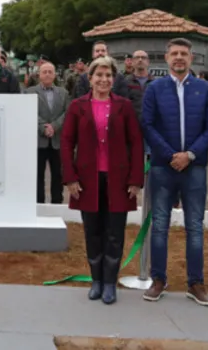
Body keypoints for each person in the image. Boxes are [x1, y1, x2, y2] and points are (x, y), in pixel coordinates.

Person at [140, 38, 208, 307]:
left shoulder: (205, 89)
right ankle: (158, 280)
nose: (179, 58)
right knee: (160, 226)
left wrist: (191, 155)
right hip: (164, 167)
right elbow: (148, 125)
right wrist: (170, 155)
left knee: (195, 227)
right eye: (174, 53)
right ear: (166, 58)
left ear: (191, 57)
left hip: (194, 167)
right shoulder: (154, 89)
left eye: (183, 54)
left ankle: (195, 283)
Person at [60, 56, 145, 305]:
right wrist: (70, 178)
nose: (104, 80)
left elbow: (136, 143)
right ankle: (96, 280)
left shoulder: (124, 106)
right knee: (92, 232)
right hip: (87, 180)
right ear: (90, 78)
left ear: (114, 78)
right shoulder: (77, 106)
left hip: (118, 180)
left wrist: (136, 179)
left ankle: (110, 283)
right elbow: (66, 143)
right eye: (99, 75)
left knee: (114, 233)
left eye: (108, 75)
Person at [26, 61, 71, 204]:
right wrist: (43, 127)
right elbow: (29, 111)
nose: (47, 74)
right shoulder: (30, 92)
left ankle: (57, 202)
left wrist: (54, 126)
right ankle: (38, 202)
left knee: (57, 174)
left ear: (55, 75)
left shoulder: (63, 93)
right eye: (44, 72)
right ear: (39, 74)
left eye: (50, 72)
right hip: (39, 140)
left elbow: (67, 112)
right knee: (38, 174)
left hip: (57, 140)